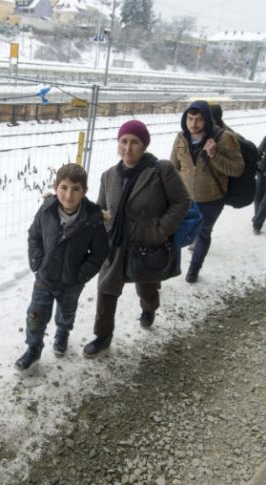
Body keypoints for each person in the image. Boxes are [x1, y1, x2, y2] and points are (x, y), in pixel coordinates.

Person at [83, 120, 190, 357]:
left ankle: (149, 308)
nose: (127, 148)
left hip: (147, 243)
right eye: (123, 141)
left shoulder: (160, 170)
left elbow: (182, 201)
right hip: (116, 244)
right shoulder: (108, 176)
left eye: (134, 142)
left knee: (147, 288)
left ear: (144, 145)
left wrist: (160, 229)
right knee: (106, 289)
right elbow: (102, 209)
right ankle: (102, 336)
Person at [15, 164, 109, 370]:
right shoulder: (47, 209)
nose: (69, 195)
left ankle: (63, 333)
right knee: (35, 315)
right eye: (64, 188)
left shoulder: (92, 219)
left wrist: (81, 275)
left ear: (85, 191)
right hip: (45, 277)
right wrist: (37, 263)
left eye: (76, 189)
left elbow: (100, 252)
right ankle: (33, 347)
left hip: (71, 282)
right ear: (56, 187)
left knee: (66, 313)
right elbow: (34, 235)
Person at [170, 100, 244, 283]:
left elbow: (237, 169)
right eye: (190, 119)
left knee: (203, 234)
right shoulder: (181, 139)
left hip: (211, 200)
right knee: (175, 233)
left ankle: (194, 269)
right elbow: (174, 165)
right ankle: (170, 268)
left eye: (199, 120)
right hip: (184, 198)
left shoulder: (225, 139)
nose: (193, 124)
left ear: (208, 120)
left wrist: (214, 155)